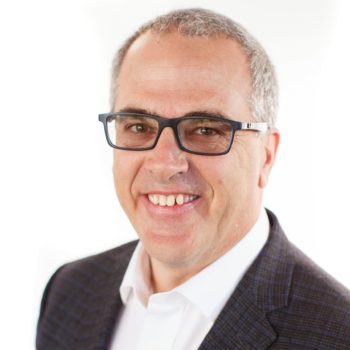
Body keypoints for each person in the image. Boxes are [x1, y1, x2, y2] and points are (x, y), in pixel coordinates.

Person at [36, 8, 350, 350]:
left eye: (204, 130)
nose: (165, 164)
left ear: (266, 155)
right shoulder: (70, 292)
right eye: (139, 127)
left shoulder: (337, 334)